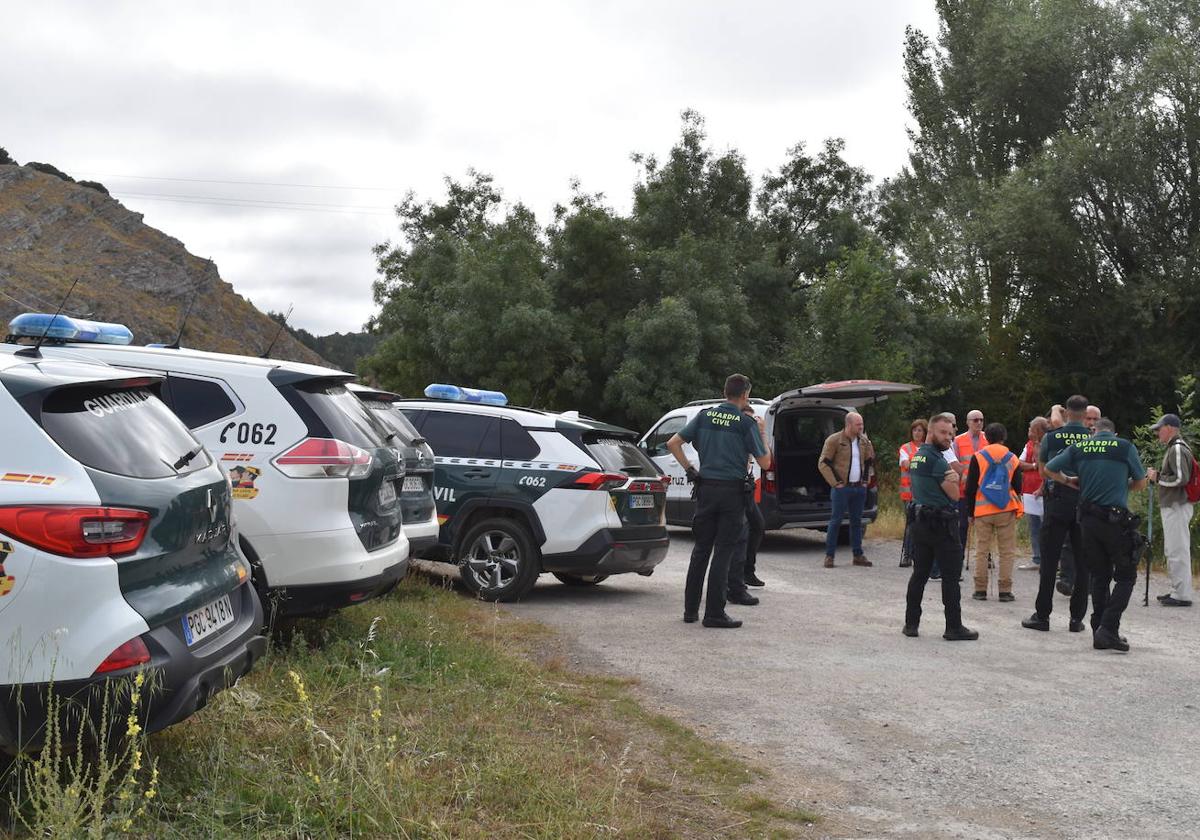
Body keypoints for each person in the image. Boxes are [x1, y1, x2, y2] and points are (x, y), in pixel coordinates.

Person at [667, 374, 771, 628]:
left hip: (705, 490)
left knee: (700, 551)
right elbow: (765, 463)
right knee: (723, 552)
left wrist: (691, 470)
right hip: (732, 494)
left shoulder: (703, 416)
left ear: (725, 392)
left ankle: (690, 611)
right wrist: (763, 435)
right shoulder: (745, 423)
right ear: (745, 395)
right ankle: (714, 613)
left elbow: (673, 443)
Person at [1044, 418, 1147, 651]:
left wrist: (1068, 480)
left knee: (1099, 576)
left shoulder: (1080, 447)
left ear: (1094, 432)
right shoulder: (1124, 446)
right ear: (1114, 432)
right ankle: (1109, 628)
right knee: (1126, 575)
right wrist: (1123, 485)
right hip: (1114, 521)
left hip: (1087, 520)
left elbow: (1049, 468)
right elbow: (1140, 482)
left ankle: (1099, 630)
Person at [902, 413, 979, 641]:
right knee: (950, 577)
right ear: (931, 433)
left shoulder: (917, 456)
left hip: (920, 522)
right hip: (942, 526)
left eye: (951, 433)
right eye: (944, 433)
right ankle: (953, 627)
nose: (949, 437)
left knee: (919, 575)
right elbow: (954, 494)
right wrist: (955, 479)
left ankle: (911, 623)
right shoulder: (937, 461)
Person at [1022, 395, 1092, 634]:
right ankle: (1076, 619)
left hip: (1058, 499)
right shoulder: (1091, 438)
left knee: (1050, 560)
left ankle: (1042, 616)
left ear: (1067, 412)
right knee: (1082, 562)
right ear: (1085, 414)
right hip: (1084, 501)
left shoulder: (1052, 437)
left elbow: (1043, 471)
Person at [964, 423, 1023, 602]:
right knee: (1006, 551)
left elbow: (970, 487)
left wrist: (969, 512)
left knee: (982, 550)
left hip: (982, 510)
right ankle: (1005, 591)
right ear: (1003, 437)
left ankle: (980, 589)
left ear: (986, 438)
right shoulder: (1012, 458)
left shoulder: (978, 457)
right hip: (1006, 509)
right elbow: (1018, 486)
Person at [1146, 413, 1194, 607]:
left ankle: (1182, 594)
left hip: (1177, 505)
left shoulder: (1176, 448)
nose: (1158, 432)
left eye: (1160, 428)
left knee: (1177, 549)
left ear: (1170, 428)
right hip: (1176, 505)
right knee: (1174, 548)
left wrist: (1157, 477)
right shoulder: (1175, 447)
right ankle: (1178, 590)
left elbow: (1181, 478)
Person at [818, 412, 876, 568]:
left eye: (862, 424)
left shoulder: (864, 441)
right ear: (849, 425)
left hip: (859, 488)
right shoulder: (835, 440)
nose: (861, 427)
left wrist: (866, 481)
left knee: (857, 522)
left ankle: (858, 555)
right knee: (836, 521)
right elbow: (823, 463)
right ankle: (829, 556)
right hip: (842, 488)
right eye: (858, 425)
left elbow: (870, 461)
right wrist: (835, 483)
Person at [728, 404, 767, 595]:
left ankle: (747, 571)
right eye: (746, 418)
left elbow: (767, 461)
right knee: (738, 535)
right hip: (735, 486)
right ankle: (735, 580)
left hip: (747, 485)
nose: (749, 422)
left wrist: (762, 434)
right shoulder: (737, 434)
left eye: (752, 419)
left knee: (758, 526)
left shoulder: (751, 434)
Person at [954, 410, 987, 564]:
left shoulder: (988, 438)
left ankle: (986, 556)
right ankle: (959, 555)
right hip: (964, 490)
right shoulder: (958, 440)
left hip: (984, 490)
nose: (978, 423)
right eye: (975, 420)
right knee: (962, 524)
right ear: (967, 422)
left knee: (984, 525)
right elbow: (955, 464)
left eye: (981, 420)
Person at [1018, 417, 1049, 570]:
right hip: (1029, 491)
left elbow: (1049, 470)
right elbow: (1019, 463)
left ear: (1038, 430)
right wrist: (1035, 465)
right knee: (1034, 526)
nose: (1028, 432)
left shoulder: (1049, 444)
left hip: (1044, 492)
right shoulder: (1028, 445)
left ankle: (1050, 561)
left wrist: (1043, 486)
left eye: (1031, 429)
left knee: (1047, 527)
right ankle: (1037, 559)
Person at [898, 419, 928, 568]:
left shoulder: (928, 448)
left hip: (924, 493)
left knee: (923, 524)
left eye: (920, 430)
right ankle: (907, 555)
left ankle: (920, 555)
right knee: (911, 525)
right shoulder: (905, 448)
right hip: (909, 493)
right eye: (915, 430)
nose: (917, 433)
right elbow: (906, 464)